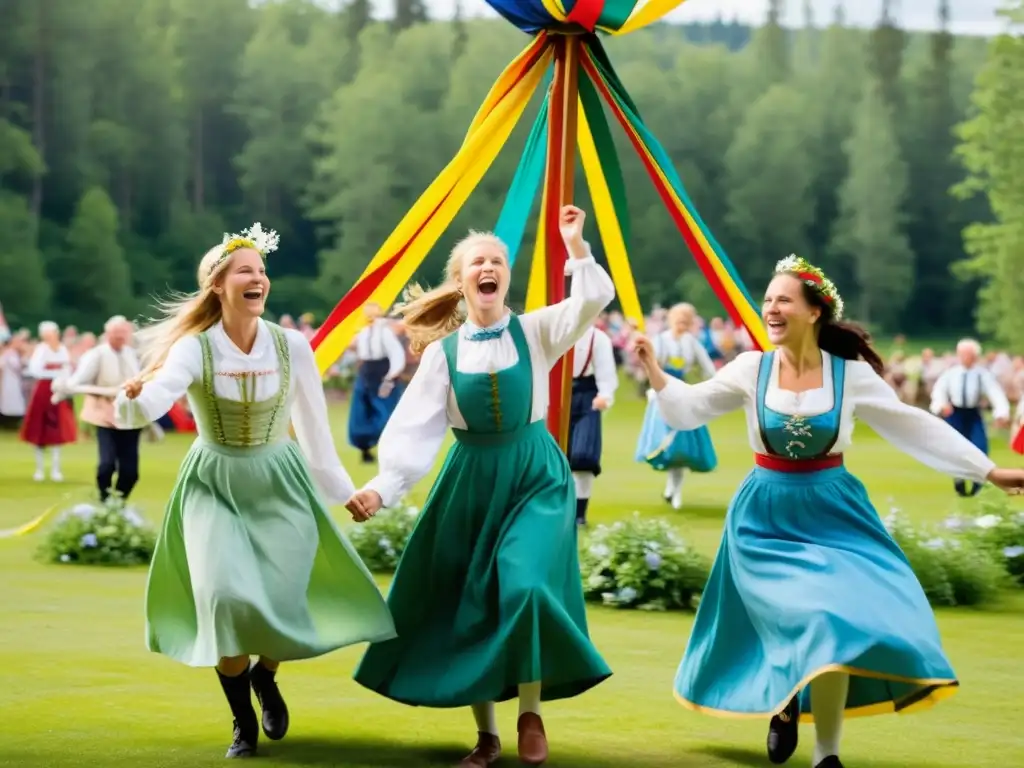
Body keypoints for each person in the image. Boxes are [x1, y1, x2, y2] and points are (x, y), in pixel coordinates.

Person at [633, 254, 1024, 768]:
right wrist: (655, 371)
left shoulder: (851, 375)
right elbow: (687, 411)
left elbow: (913, 425)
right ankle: (789, 700)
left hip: (835, 511)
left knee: (835, 617)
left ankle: (827, 755)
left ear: (815, 311)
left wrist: (988, 471)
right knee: (814, 616)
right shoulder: (752, 368)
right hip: (765, 515)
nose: (770, 307)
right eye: (767, 299)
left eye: (783, 300)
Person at [346, 206, 614, 768]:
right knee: (471, 603)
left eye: (497, 260)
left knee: (525, 585)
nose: (489, 266)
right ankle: (487, 736)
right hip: (470, 478)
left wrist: (576, 244)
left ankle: (530, 711)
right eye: (478, 261)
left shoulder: (537, 330)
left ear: (505, 276)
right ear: (462, 279)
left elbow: (592, 300)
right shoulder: (443, 355)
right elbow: (415, 426)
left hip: (536, 475)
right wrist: (382, 487)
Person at [115, 224, 395, 759]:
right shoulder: (193, 350)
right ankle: (243, 719)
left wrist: (343, 491)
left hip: (281, 483)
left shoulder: (292, 346)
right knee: (225, 598)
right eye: (246, 271)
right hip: (214, 484)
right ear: (218, 284)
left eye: (262, 272)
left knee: (281, 603)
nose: (259, 279)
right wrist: (131, 400)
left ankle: (266, 676)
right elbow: (151, 406)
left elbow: (314, 429)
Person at [634, 303, 717, 510]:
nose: (682, 325)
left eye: (686, 322)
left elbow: (708, 368)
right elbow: (649, 364)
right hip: (662, 394)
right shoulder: (661, 340)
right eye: (679, 321)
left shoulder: (692, 342)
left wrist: (712, 388)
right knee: (667, 445)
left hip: (682, 395)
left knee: (682, 448)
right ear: (671, 320)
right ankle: (671, 489)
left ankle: (675, 491)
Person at [52, 315, 143, 500]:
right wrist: (66, 387)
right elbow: (79, 380)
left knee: (130, 471)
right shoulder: (97, 354)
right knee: (106, 465)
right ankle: (105, 500)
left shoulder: (132, 354)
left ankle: (118, 503)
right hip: (105, 416)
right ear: (108, 333)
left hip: (130, 417)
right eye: (116, 333)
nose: (120, 336)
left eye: (123, 332)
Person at [929, 338, 1009, 496]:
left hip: (973, 413)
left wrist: (1001, 412)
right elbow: (939, 391)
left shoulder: (982, 374)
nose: (965, 357)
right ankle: (958, 478)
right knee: (954, 448)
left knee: (980, 446)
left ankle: (978, 481)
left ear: (975, 356)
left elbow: (995, 393)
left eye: (968, 354)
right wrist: (941, 405)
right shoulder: (951, 373)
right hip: (955, 413)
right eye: (962, 354)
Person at [568, 323, 617, 526]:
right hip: (553, 395)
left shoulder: (598, 338)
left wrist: (605, 396)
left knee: (583, 457)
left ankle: (580, 513)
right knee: (554, 458)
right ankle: (555, 511)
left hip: (587, 395)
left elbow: (606, 372)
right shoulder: (553, 330)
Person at [348, 302, 406, 463]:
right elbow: (355, 349)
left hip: (383, 373)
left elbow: (397, 355)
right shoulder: (363, 333)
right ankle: (364, 449)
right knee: (361, 412)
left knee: (385, 413)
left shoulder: (385, 333)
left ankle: (387, 450)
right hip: (366, 373)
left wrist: (390, 377)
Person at [20, 321, 76, 480]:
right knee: (39, 428)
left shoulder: (63, 349)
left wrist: (61, 378)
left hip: (58, 389)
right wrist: (54, 371)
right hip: (44, 389)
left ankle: (56, 469)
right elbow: (35, 369)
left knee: (57, 429)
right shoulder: (41, 349)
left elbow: (67, 369)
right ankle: (39, 469)